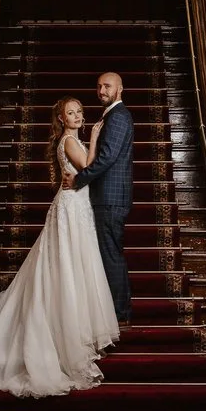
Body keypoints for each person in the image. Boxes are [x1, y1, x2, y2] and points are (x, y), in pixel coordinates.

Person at [0, 96, 119, 396]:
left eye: (80, 112)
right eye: (71, 113)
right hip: (70, 209)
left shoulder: (72, 140)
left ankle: (77, 332)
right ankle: (64, 337)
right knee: (66, 269)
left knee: (76, 267)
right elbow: (87, 166)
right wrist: (95, 138)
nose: (78, 117)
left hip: (78, 207)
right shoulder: (69, 141)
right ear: (61, 119)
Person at [69, 70, 133, 325]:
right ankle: (118, 312)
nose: (102, 91)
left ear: (119, 89)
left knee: (111, 255)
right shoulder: (113, 116)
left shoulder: (118, 117)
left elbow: (106, 158)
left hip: (111, 198)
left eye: (107, 86)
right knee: (110, 253)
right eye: (98, 87)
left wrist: (79, 179)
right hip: (108, 196)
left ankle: (120, 314)